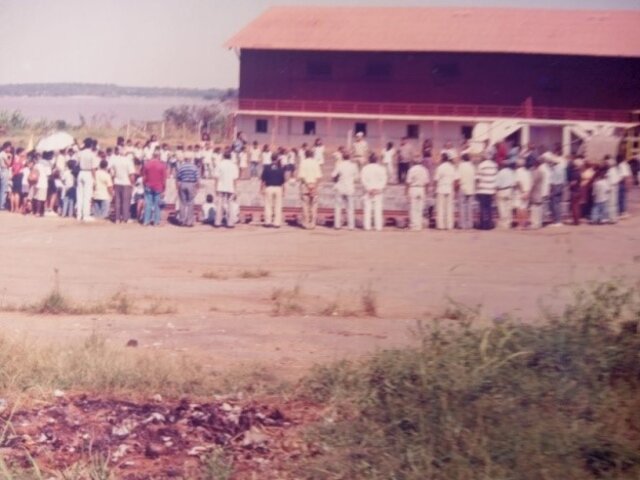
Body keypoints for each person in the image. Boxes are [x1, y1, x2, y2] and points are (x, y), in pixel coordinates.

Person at [360, 153, 388, 231]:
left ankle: (367, 226)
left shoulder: (365, 168)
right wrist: (379, 189)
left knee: (367, 209)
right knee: (378, 209)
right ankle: (378, 227)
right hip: (378, 191)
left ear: (369, 160)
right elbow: (384, 180)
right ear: (377, 160)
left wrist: (369, 189)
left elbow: (363, 180)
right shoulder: (381, 168)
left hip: (368, 191)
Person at [332, 152, 359, 230]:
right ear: (349, 157)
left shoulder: (339, 165)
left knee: (338, 207)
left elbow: (333, 175)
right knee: (350, 208)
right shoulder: (353, 166)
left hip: (340, 187)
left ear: (343, 157)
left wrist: (337, 179)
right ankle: (351, 226)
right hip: (349, 188)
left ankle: (337, 225)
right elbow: (357, 177)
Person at [298, 149, 323, 229]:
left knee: (305, 205)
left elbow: (302, 176)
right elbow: (318, 176)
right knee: (314, 205)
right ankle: (313, 223)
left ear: (305, 155)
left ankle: (306, 223)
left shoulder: (303, 162)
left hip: (305, 185)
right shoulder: (316, 163)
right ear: (312, 155)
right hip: (314, 184)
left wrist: (308, 186)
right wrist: (314, 186)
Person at [214, 151, 239, 228]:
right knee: (230, 205)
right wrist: (235, 189)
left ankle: (218, 222)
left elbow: (216, 177)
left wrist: (215, 188)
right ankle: (230, 223)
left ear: (223, 156)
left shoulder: (219, 164)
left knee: (219, 205)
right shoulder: (234, 166)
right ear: (230, 157)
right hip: (230, 187)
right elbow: (235, 179)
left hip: (221, 187)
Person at [110, 146, 135, 223]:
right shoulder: (128, 161)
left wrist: (114, 180)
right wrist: (132, 183)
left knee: (117, 201)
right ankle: (125, 218)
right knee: (126, 201)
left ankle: (117, 218)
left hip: (117, 182)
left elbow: (112, 173)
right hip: (126, 183)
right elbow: (131, 174)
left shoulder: (115, 160)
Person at [142, 151, 167, 226]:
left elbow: (144, 177)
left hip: (148, 186)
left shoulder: (147, 164)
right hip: (158, 187)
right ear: (159, 156)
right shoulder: (162, 165)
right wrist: (164, 189)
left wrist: (144, 185)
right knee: (157, 205)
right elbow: (164, 179)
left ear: (153, 155)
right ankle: (156, 222)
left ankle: (146, 221)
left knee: (148, 204)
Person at [261, 153, 286, 228]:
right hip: (278, 188)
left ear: (271, 158)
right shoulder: (280, 168)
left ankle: (268, 222)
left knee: (268, 205)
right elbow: (283, 181)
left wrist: (261, 189)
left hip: (269, 187)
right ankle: (277, 223)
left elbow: (263, 180)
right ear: (277, 159)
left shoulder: (267, 167)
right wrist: (284, 190)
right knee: (278, 206)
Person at [175, 152, 201, 227]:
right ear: (191, 159)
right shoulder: (194, 167)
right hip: (191, 184)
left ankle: (182, 220)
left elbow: (177, 178)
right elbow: (197, 178)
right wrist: (198, 187)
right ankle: (189, 221)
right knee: (190, 203)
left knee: (182, 203)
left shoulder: (181, 167)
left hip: (182, 184)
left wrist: (177, 187)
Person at [76, 138, 98, 222]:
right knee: (87, 195)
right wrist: (95, 179)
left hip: (81, 173)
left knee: (80, 194)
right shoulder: (92, 154)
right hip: (88, 173)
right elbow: (93, 168)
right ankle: (86, 215)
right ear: (91, 145)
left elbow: (77, 164)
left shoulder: (80, 153)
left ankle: (79, 214)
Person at [406, 157, 429, 231]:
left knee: (413, 208)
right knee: (420, 208)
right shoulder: (424, 170)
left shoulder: (412, 170)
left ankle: (414, 225)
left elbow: (408, 182)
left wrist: (406, 192)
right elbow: (427, 182)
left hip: (414, 188)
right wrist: (426, 191)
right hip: (421, 188)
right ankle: (419, 225)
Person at [434, 153, 457, 230]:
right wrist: (454, 190)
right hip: (449, 188)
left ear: (442, 159)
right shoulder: (452, 167)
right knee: (449, 208)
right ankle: (449, 225)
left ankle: (441, 225)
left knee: (441, 208)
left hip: (441, 188)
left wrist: (434, 189)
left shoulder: (440, 167)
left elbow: (436, 179)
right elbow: (455, 180)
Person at [476, 154, 498, 230]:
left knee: (482, 207)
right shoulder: (494, 165)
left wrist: (477, 187)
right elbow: (496, 178)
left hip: (482, 189)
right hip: (491, 190)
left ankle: (483, 224)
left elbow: (478, 178)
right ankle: (489, 224)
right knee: (489, 208)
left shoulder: (481, 165)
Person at [548, 152, 567, 227]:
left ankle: (557, 220)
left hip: (556, 186)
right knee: (558, 203)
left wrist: (551, 188)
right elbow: (564, 179)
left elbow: (552, 180)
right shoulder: (562, 168)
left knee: (555, 203)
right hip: (561, 185)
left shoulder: (555, 169)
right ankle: (558, 220)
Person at [457, 154, 476, 229]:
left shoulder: (461, 166)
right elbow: (474, 178)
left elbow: (458, 178)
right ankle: (469, 224)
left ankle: (463, 224)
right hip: (470, 188)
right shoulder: (472, 167)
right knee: (469, 207)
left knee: (462, 207)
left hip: (463, 187)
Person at [513, 158, 532, 229]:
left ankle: (520, 225)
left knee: (519, 209)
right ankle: (525, 224)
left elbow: (518, 182)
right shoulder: (527, 172)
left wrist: (522, 192)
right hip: (527, 191)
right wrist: (527, 192)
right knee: (525, 208)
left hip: (520, 192)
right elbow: (530, 183)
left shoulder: (517, 172)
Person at [495, 162, 515, 229]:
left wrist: (496, 192)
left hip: (502, 190)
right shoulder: (511, 172)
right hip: (509, 189)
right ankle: (508, 222)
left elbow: (497, 184)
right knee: (508, 207)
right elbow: (514, 183)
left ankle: (504, 222)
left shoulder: (500, 173)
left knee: (502, 207)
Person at [567, 157, 584, 226]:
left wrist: (569, 186)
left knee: (574, 207)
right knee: (577, 206)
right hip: (578, 190)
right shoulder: (579, 172)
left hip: (574, 191)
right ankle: (577, 220)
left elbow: (573, 182)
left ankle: (576, 221)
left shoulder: (574, 173)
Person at [529, 158, 545, 229]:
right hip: (539, 190)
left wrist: (530, 191)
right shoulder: (541, 172)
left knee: (534, 208)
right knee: (539, 207)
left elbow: (533, 183)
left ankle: (535, 223)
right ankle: (539, 222)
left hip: (535, 191)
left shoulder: (535, 172)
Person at [605, 155, 620, 223]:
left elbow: (612, 181)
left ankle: (612, 218)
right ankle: (613, 218)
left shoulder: (611, 171)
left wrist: (609, 187)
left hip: (611, 187)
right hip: (614, 187)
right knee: (613, 203)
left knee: (611, 204)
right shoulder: (615, 170)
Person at [10, 147, 24, 213]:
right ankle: (16, 208)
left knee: (13, 192)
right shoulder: (18, 158)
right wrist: (14, 174)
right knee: (17, 193)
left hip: (14, 175)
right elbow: (17, 169)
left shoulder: (14, 157)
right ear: (20, 152)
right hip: (17, 175)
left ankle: (12, 208)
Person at [0, 142, 12, 210]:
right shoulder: (4, 154)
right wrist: (10, 157)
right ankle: (2, 204)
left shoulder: (1, 153)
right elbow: (8, 164)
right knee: (4, 189)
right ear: (5, 147)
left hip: (2, 170)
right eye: (9, 147)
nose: (10, 149)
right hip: (4, 170)